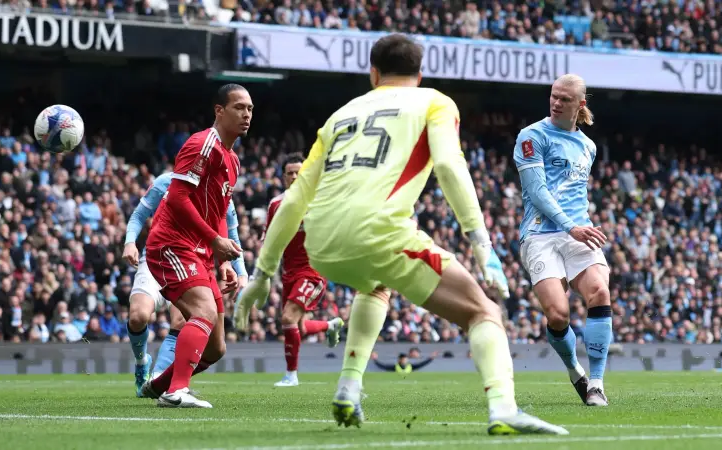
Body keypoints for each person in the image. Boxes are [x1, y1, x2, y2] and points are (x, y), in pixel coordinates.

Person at [235, 34, 567, 435]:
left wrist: (262, 275)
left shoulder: (340, 116)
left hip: (318, 240)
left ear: (373, 74)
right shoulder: (434, 102)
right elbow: (449, 165)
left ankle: (348, 387)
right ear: (420, 74)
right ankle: (503, 408)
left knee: (375, 286)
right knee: (483, 312)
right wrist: (482, 244)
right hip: (378, 232)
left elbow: (292, 201)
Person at [139, 83, 251, 408]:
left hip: (199, 251)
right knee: (203, 312)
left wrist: (223, 259)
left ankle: (159, 385)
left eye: (250, 109)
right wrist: (215, 240)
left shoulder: (232, 160)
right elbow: (177, 198)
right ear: (219, 110)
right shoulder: (203, 144)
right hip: (171, 243)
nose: (246, 114)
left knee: (216, 348)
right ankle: (175, 392)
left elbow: (218, 211)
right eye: (239, 107)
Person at [513, 73, 611, 407]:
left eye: (564, 99)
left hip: (578, 231)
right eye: (554, 96)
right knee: (558, 315)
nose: (556, 102)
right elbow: (537, 191)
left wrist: (577, 228)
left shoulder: (588, 146)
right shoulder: (532, 136)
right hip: (541, 234)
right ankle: (575, 371)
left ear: (579, 104)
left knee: (599, 292)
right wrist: (571, 227)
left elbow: (575, 193)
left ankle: (596, 383)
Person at [122, 171, 248, 397]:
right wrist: (130, 242)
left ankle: (158, 381)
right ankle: (142, 363)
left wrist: (241, 273)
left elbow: (231, 237)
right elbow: (139, 215)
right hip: (161, 255)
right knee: (138, 316)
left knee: (186, 321)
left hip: (195, 265)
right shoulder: (167, 182)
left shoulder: (222, 192)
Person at [260, 153, 344, 387]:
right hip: (288, 273)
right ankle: (330, 325)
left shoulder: (320, 200)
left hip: (312, 272)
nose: (295, 176)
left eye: (299, 172)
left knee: (288, 317)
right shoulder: (276, 205)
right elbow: (268, 242)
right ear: (284, 177)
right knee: (298, 326)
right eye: (290, 173)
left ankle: (291, 376)